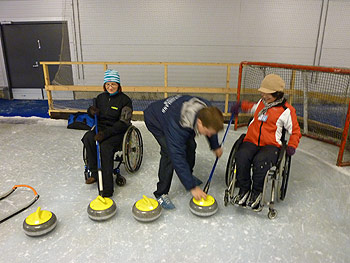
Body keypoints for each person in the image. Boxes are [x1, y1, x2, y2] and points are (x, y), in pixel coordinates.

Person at [231, 74, 301, 211]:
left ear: (277, 94)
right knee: (241, 156)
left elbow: (296, 131)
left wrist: (292, 146)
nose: (264, 95)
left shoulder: (287, 111)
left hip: (270, 145)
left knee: (260, 162)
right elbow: (252, 107)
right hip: (251, 140)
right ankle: (244, 190)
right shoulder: (261, 103)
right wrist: (240, 106)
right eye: (263, 93)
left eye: (267, 93)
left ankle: (256, 193)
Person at [144, 95, 224, 209]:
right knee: (169, 154)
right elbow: (177, 156)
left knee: (190, 145)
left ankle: (188, 175)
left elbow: (211, 128)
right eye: (208, 132)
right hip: (156, 120)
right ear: (200, 123)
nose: (209, 135)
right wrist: (192, 187)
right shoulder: (177, 125)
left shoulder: (208, 110)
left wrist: (215, 146)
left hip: (175, 115)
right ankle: (161, 193)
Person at [82, 69, 133, 197]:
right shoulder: (100, 98)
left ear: (118, 85)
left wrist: (106, 134)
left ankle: (107, 189)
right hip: (101, 128)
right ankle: (94, 173)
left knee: (105, 147)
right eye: (108, 84)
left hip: (117, 131)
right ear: (104, 85)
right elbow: (94, 113)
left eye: (113, 84)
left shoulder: (125, 100)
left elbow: (123, 123)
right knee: (88, 138)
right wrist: (90, 111)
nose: (110, 87)